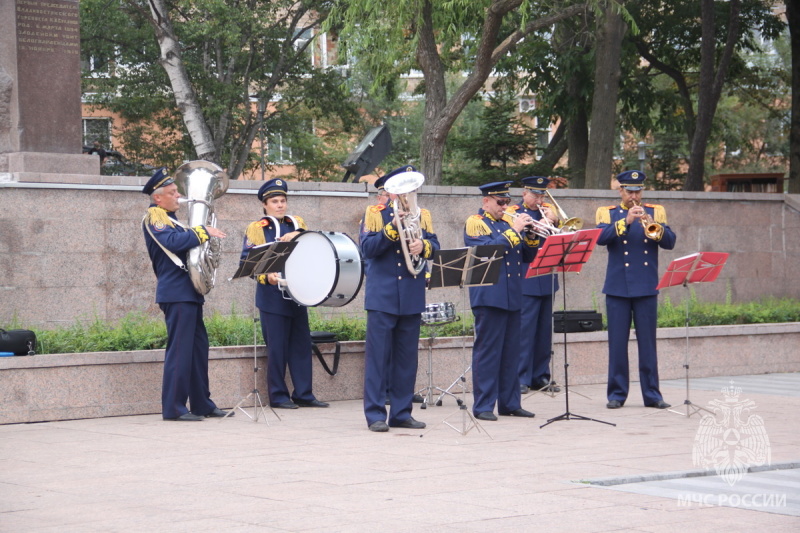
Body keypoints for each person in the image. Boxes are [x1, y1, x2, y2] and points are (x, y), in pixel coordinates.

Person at [141, 167, 231, 421]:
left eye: (177, 191)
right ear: (158, 197)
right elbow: (173, 243)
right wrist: (203, 231)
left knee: (197, 351)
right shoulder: (155, 217)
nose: (179, 195)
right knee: (180, 351)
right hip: (176, 293)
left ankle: (202, 403)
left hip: (188, 293)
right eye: (172, 193)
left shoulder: (173, 221)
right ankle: (174, 408)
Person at [360, 165, 439, 432]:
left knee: (407, 359)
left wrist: (423, 246)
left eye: (412, 188)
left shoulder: (422, 215)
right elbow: (368, 249)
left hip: (411, 294)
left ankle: (402, 413)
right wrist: (392, 229)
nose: (409, 193)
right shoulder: (376, 214)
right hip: (382, 297)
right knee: (378, 359)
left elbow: (435, 246)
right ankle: (375, 415)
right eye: (403, 189)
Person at [241, 179, 329, 410]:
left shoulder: (296, 224)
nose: (280, 205)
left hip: (298, 295)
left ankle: (304, 393)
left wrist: (298, 233)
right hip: (272, 296)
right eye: (274, 201)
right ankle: (278, 396)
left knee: (301, 346)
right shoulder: (257, 228)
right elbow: (248, 264)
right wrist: (265, 276)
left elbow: (311, 249)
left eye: (282, 201)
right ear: (265, 204)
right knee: (277, 349)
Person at [595, 170, 677, 410]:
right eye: (629, 191)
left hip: (646, 286)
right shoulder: (608, 213)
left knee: (648, 344)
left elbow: (670, 242)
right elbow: (601, 238)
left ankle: (652, 394)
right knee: (617, 343)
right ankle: (617, 394)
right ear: (620, 191)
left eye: (638, 191)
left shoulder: (655, 212)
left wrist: (653, 226)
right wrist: (627, 221)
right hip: (618, 288)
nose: (634, 196)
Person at [464, 181, 537, 421]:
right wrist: (514, 231)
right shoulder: (476, 223)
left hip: (513, 295)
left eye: (507, 201)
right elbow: (487, 251)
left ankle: (510, 403)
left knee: (511, 353)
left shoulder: (507, 224)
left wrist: (532, 235)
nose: (505, 206)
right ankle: (484, 406)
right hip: (489, 296)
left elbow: (528, 256)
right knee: (488, 352)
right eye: (500, 202)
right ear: (486, 201)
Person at [511, 176, 561, 394]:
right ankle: (520, 377)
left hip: (547, 277)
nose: (539, 199)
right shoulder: (514, 212)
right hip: (526, 277)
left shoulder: (549, 211)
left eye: (542, 195)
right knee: (525, 331)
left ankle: (540, 376)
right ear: (524, 194)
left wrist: (555, 222)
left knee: (544, 332)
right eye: (535, 195)